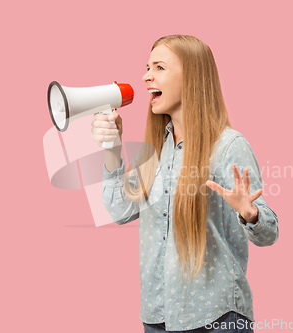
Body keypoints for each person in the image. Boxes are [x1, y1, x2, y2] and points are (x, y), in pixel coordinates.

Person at [92, 35, 278, 332]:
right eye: (147, 67)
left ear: (192, 77)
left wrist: (250, 214)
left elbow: (268, 234)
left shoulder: (228, 146)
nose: (146, 76)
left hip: (214, 319)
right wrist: (112, 149)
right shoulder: (155, 148)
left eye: (160, 67)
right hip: (157, 316)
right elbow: (118, 211)